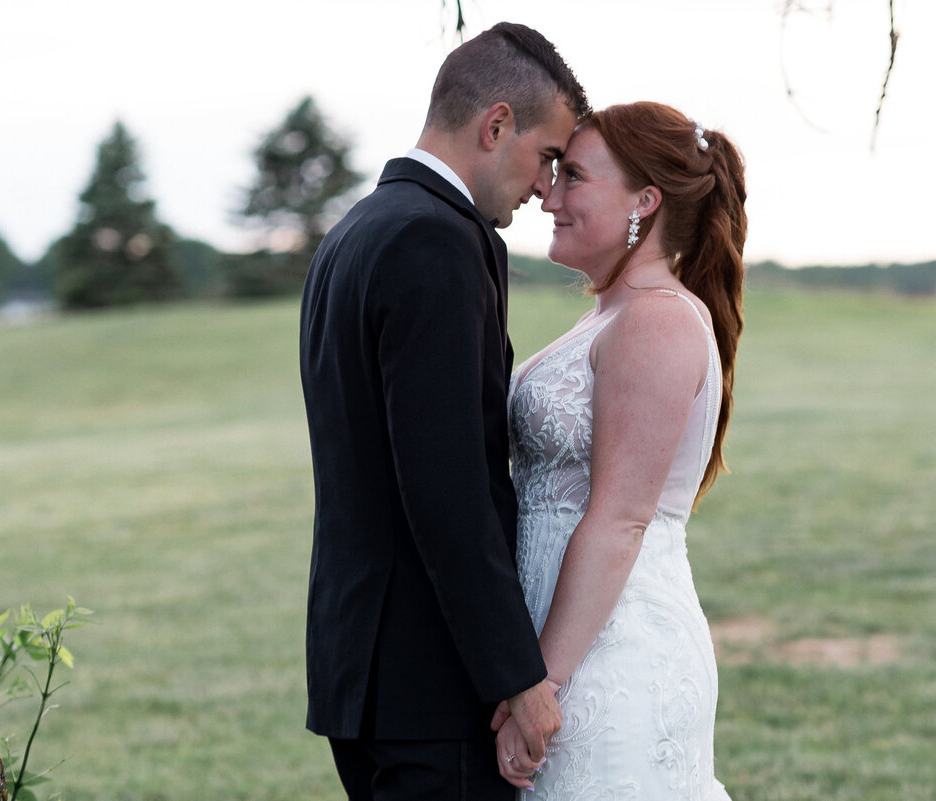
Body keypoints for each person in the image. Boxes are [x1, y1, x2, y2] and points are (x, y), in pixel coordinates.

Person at [298, 22, 590, 801]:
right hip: (431, 683)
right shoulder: (437, 240)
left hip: (358, 669)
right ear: (495, 125)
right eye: (547, 158)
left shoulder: (354, 232)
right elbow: (448, 487)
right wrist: (515, 675)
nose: (545, 188)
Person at [495, 101, 748, 799]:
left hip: (609, 658)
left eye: (573, 176)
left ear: (645, 200)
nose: (548, 193)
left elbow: (619, 519)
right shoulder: (611, 312)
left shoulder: (657, 319)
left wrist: (539, 682)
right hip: (570, 648)